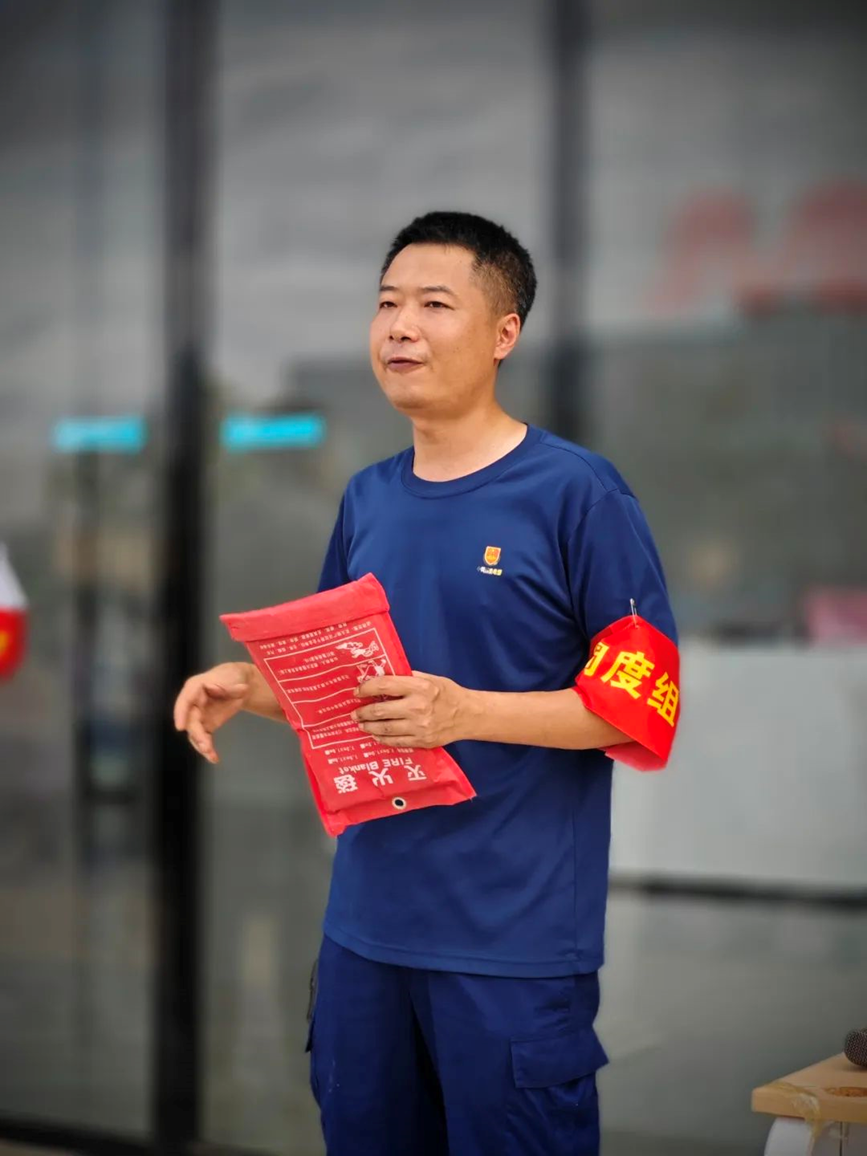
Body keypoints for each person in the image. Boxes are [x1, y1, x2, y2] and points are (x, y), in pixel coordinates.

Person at [174, 211, 681, 1156]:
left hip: (511, 944)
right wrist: (252, 686)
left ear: (502, 333)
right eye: (386, 304)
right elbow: (352, 691)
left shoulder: (578, 494)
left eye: (433, 305)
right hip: (364, 934)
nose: (399, 327)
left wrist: (465, 711)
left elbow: (638, 704)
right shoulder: (367, 498)